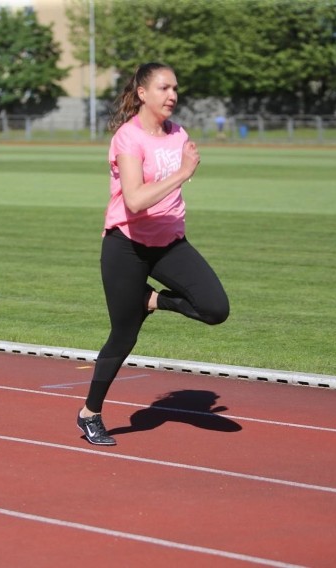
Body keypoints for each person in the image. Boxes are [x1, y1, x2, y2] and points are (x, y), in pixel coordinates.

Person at [77, 63, 229, 446]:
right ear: (142, 93)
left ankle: (152, 299)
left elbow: (169, 188)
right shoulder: (128, 139)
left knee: (215, 309)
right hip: (125, 246)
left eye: (175, 88)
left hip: (169, 245)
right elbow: (135, 199)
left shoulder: (179, 134)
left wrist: (183, 168)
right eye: (163, 88)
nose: (172, 95)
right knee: (123, 336)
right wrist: (182, 172)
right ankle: (89, 413)